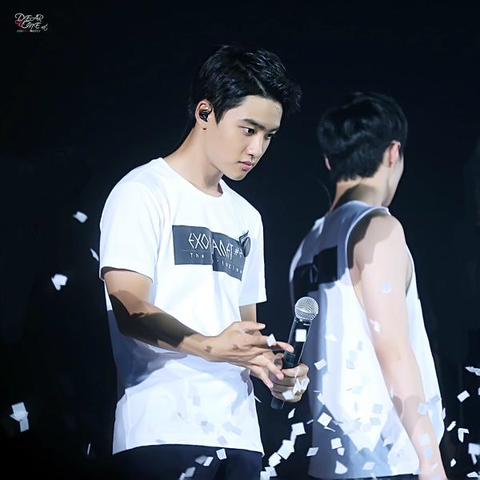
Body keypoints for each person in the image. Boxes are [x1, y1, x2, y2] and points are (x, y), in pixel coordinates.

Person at [98, 44, 307, 480]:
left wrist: (272, 370)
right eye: (248, 129)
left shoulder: (247, 217)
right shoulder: (143, 191)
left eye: (268, 136)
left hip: (241, 438)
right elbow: (129, 308)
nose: (257, 148)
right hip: (161, 429)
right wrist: (209, 346)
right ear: (205, 112)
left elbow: (246, 333)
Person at [290, 92, 446, 480]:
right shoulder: (378, 227)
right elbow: (392, 348)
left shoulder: (305, 249)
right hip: (387, 458)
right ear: (393, 153)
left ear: (330, 161)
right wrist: (430, 460)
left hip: (328, 461)